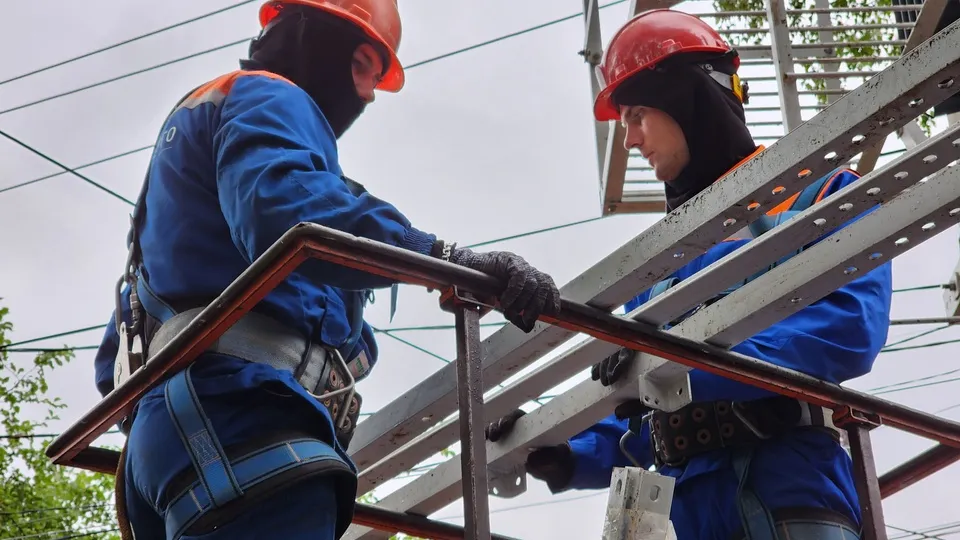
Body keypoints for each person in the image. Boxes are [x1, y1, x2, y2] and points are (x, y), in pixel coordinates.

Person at [92, 1, 562, 539]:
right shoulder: (271, 96)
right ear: (325, 44)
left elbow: (116, 364)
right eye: (367, 67)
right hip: (242, 423)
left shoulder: (191, 149)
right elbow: (289, 215)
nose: (366, 96)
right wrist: (444, 260)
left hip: (170, 442)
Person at [484, 9, 892, 540]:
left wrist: (675, 370)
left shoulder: (821, 193)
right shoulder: (657, 268)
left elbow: (846, 329)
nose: (629, 141)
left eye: (636, 115)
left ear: (685, 99)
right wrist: (562, 448)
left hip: (784, 486)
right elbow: (637, 408)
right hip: (681, 506)